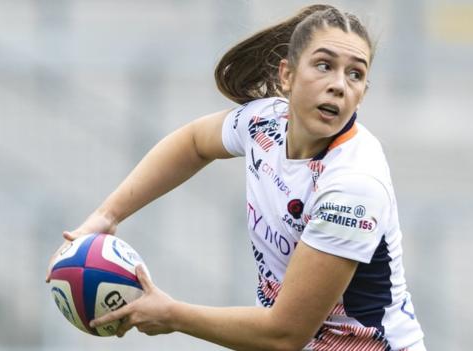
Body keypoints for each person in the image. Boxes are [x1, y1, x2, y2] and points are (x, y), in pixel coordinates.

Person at [46, 4, 426, 351]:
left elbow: (284, 333)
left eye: (355, 74)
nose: (340, 84)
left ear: (362, 95)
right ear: (287, 75)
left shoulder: (353, 186)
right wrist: (107, 215)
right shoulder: (266, 122)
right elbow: (194, 143)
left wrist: (171, 313)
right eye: (324, 65)